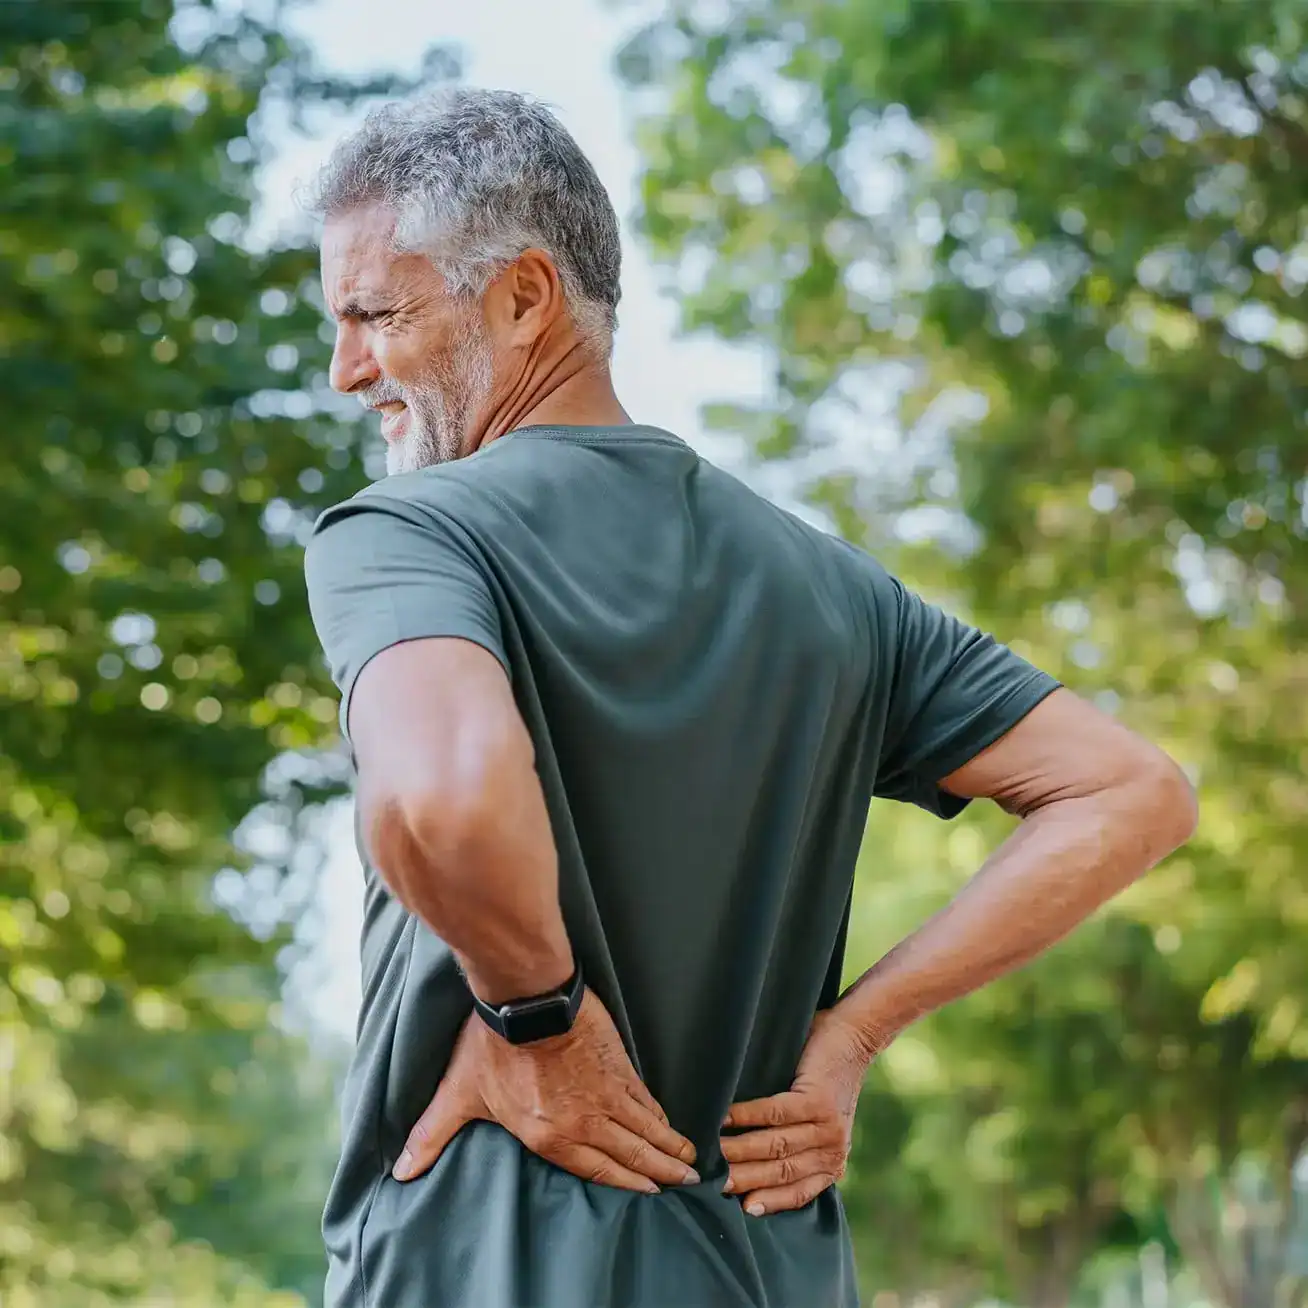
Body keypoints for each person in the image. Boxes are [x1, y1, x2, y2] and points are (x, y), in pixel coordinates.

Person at [302, 87, 1197, 1308]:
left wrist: (540, 1020)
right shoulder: (836, 590)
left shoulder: (408, 537)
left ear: (524, 295)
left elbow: (442, 800)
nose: (347, 370)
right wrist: (857, 1033)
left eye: (375, 315)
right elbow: (1132, 791)